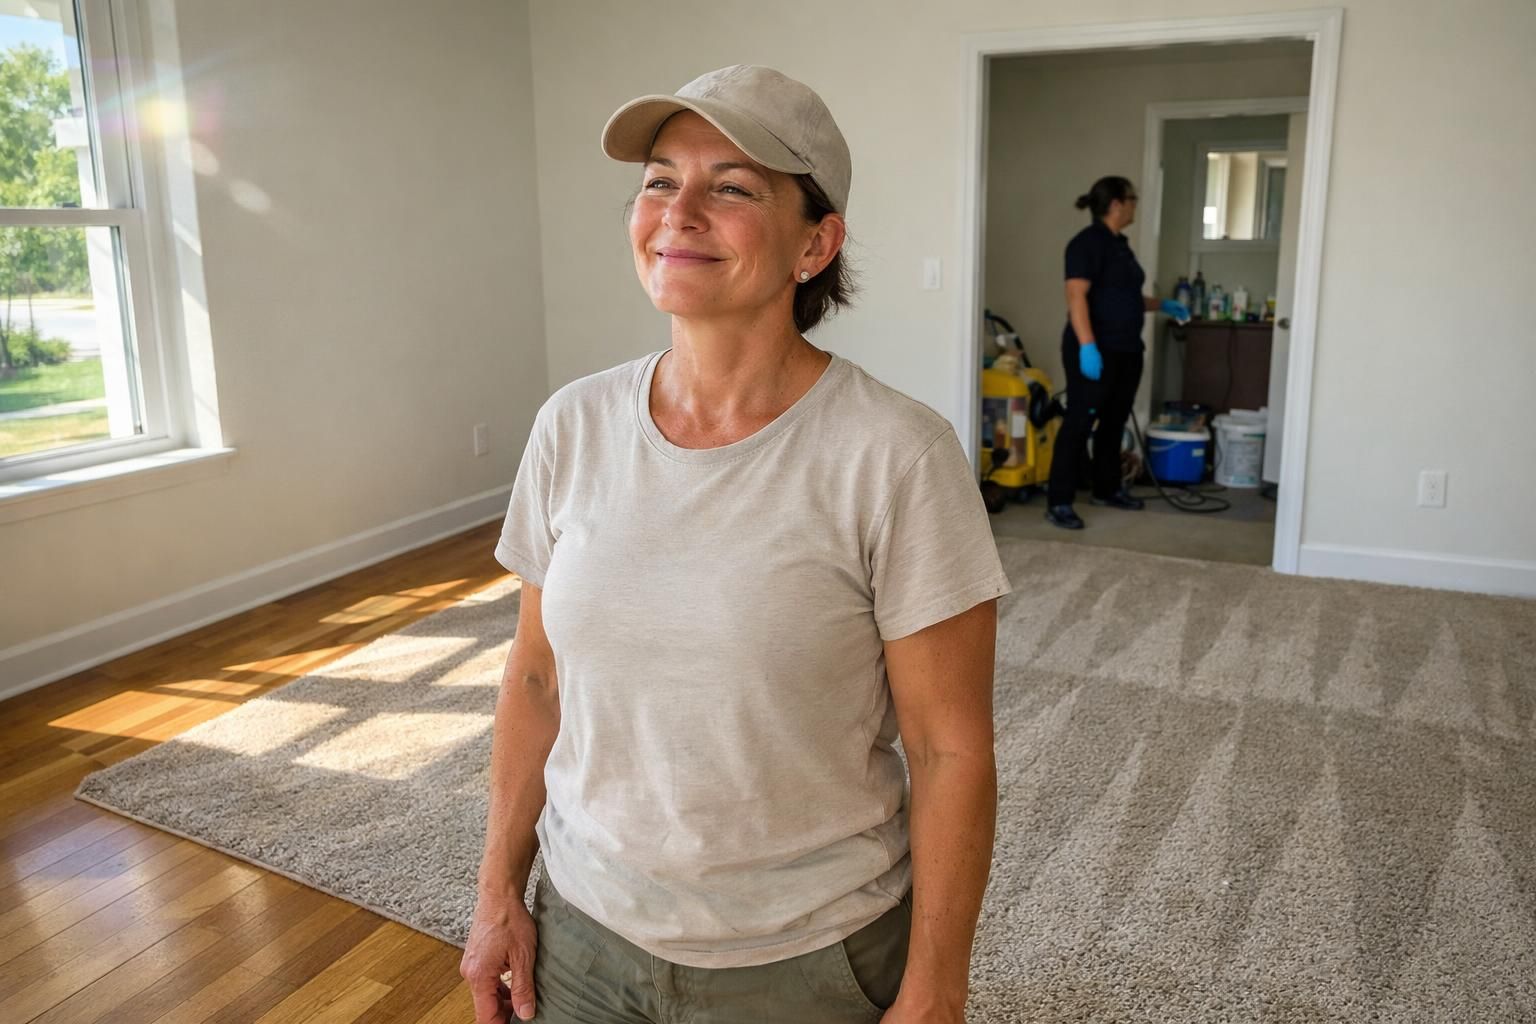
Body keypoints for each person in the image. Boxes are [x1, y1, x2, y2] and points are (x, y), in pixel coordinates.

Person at [459, 65, 1012, 1024]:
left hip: (807, 963)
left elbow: (948, 745)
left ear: (816, 243)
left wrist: (936, 988)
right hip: (584, 939)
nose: (680, 211)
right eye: (661, 180)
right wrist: (497, 892)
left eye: (734, 187)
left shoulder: (897, 454)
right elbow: (536, 679)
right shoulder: (572, 424)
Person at [1044, 176, 1189, 530]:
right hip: (1097, 349)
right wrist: (1088, 346)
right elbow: (1076, 296)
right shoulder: (1086, 244)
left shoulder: (1120, 245)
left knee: (1114, 421)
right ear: (1116, 204)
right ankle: (1059, 501)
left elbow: (1123, 297)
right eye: (1133, 199)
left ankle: (1106, 489)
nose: (1135, 205)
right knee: (1080, 420)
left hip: (1127, 349)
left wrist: (1163, 304)